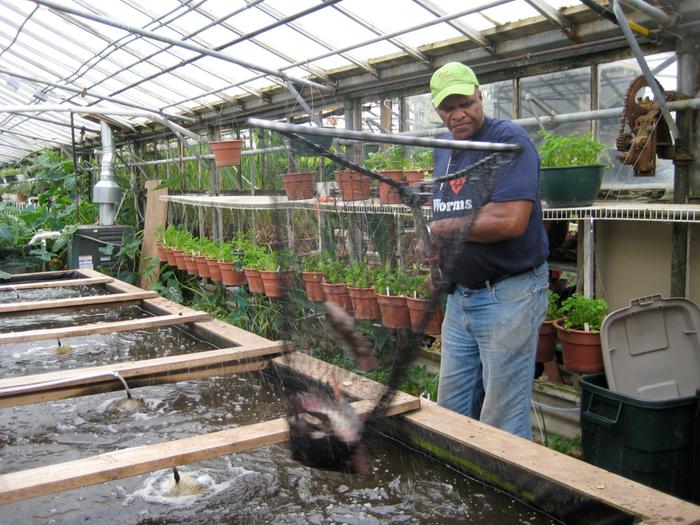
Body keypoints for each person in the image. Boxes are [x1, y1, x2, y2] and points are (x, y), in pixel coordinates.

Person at [425, 62, 549, 439]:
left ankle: (509, 489)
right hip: (462, 297)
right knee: (451, 407)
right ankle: (458, 488)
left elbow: (510, 220)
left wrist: (441, 229)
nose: (458, 114)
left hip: (508, 296)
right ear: (437, 110)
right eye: (448, 108)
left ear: (480, 95)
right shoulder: (445, 151)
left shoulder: (508, 142)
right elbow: (446, 209)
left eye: (466, 103)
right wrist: (430, 243)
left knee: (502, 418)